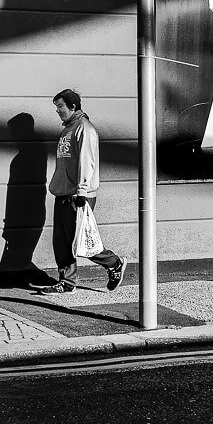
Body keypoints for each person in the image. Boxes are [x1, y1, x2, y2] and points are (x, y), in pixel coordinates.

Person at [38, 88, 126, 294]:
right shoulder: (67, 129)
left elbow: (87, 162)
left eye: (60, 106)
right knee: (62, 242)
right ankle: (67, 283)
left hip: (78, 194)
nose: (57, 110)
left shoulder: (84, 129)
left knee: (80, 242)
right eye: (56, 107)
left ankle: (113, 263)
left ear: (73, 106)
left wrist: (82, 191)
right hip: (63, 192)